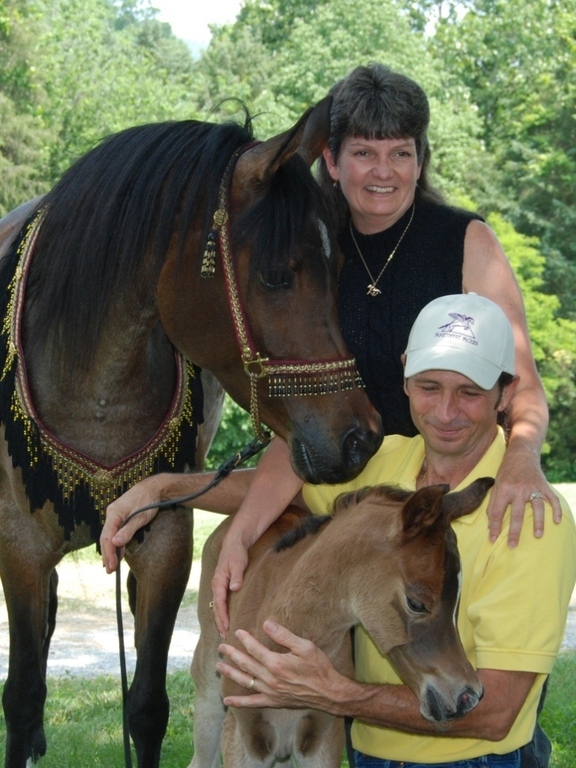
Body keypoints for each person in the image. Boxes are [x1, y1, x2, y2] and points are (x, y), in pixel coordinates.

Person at [100, 62, 560, 633]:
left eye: (401, 153)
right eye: (365, 152)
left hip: (445, 494)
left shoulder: (467, 243)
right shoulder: (303, 253)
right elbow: (299, 436)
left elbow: (524, 389)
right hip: (346, 497)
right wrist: (241, 533)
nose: (384, 172)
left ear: (422, 160)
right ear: (332, 162)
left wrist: (521, 457)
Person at [211, 293, 576, 768]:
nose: (445, 412)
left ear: (505, 394)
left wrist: (336, 694)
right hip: (370, 754)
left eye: (469, 392)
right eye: (429, 386)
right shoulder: (384, 469)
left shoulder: (530, 518)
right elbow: (285, 488)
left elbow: (496, 713)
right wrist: (158, 491)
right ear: (404, 377)